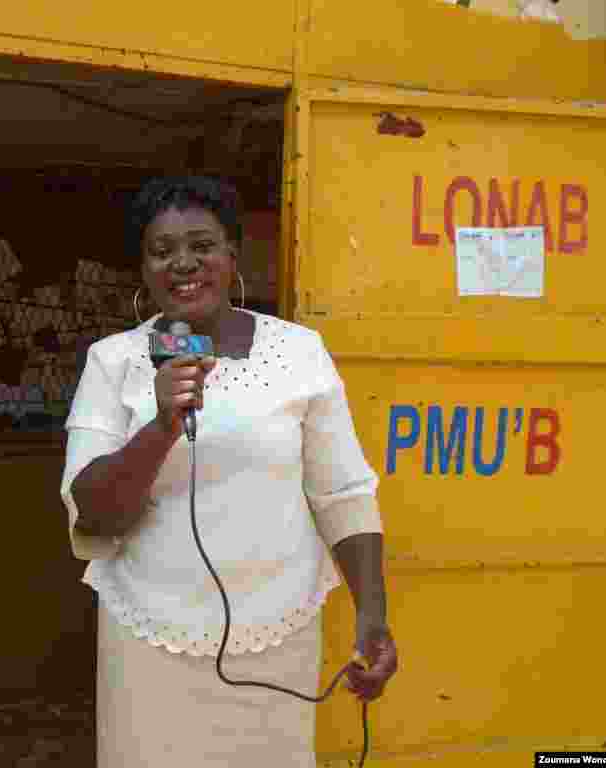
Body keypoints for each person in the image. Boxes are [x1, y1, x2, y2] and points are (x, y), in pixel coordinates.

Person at [60, 176, 398, 767]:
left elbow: (342, 493)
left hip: (278, 636)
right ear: (143, 270)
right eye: (161, 251)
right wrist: (162, 425)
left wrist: (373, 615)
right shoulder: (113, 362)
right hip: (149, 640)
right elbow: (92, 510)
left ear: (232, 257)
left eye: (201, 245)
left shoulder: (299, 352)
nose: (183, 263)